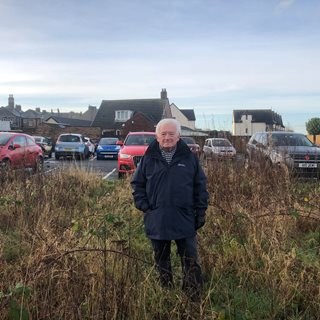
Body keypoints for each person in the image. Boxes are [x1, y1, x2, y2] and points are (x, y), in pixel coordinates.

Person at [131, 118, 209, 299]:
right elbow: (137, 184)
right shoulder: (148, 158)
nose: (167, 137)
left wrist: (201, 212)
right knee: (161, 260)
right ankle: (166, 295)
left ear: (178, 136)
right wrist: (144, 205)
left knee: (190, 260)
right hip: (157, 218)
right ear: (157, 136)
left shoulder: (189, 158)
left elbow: (200, 187)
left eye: (171, 134)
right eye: (163, 134)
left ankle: (193, 297)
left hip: (185, 218)